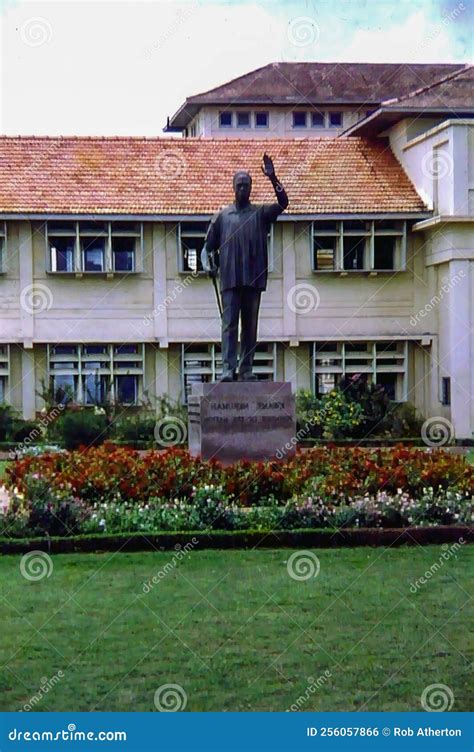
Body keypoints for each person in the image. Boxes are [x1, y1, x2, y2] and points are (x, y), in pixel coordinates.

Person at [201, 153, 288, 381]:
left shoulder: (260, 214)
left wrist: (273, 177)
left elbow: (283, 203)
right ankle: (228, 370)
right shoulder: (222, 216)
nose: (242, 189)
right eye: (239, 185)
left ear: (251, 188)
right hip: (229, 279)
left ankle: (246, 369)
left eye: (246, 185)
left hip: (253, 278)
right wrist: (206, 264)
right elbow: (206, 248)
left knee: (250, 327)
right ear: (233, 188)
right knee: (229, 326)